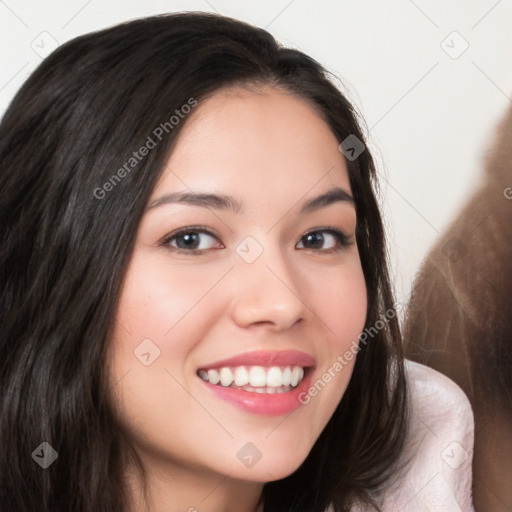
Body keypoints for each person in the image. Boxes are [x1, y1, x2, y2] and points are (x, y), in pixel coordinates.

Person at [0, 12, 472, 512]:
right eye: (191, 239)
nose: (282, 303)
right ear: (47, 270)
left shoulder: (436, 456)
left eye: (318, 237)